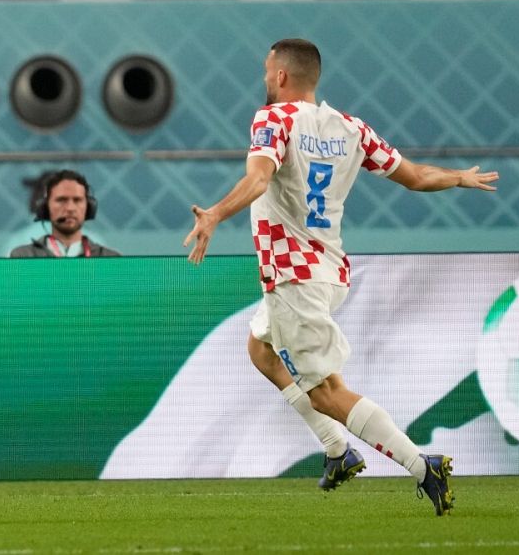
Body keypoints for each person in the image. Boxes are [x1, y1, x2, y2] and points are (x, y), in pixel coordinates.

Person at [183, 38, 498, 513]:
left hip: (293, 278)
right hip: (329, 270)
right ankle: (337, 451)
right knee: (260, 349)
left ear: (282, 76)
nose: (266, 78)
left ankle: (422, 466)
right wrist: (457, 177)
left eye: (268, 71)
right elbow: (412, 175)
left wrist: (214, 215)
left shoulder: (272, 118)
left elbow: (259, 179)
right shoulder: (351, 128)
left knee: (327, 392)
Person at [8, 170, 119, 258]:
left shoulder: (106, 256)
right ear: (45, 206)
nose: (70, 208)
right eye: (61, 200)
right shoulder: (21, 254)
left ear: (89, 207)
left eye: (77, 200)